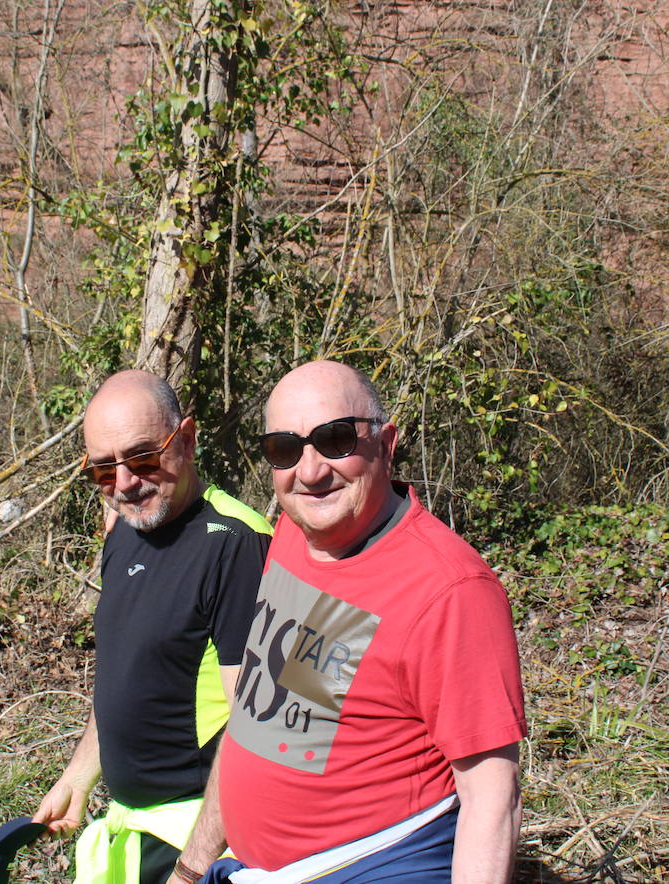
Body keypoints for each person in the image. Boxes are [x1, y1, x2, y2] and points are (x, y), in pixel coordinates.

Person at [170, 360, 527, 884]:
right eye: (285, 449)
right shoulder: (295, 537)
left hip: (373, 866)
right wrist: (190, 867)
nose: (310, 472)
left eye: (335, 440)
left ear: (386, 442)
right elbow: (265, 719)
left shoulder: (450, 591)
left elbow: (492, 797)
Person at [32, 370, 272, 884]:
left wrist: (194, 867)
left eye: (143, 458)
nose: (123, 483)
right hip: (134, 834)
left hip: (196, 840)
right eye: (102, 469)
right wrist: (78, 778)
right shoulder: (125, 531)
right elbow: (131, 674)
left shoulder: (237, 545)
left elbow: (259, 730)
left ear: (186, 439)